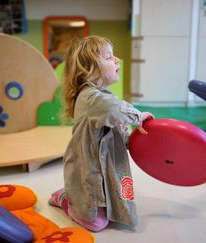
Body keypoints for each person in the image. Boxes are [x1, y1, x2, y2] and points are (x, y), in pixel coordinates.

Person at [49, 35, 154, 231]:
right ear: (88, 70)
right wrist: (137, 116)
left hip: (105, 163)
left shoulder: (105, 96)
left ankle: (78, 197)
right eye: (108, 57)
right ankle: (66, 198)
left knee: (112, 202)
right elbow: (114, 110)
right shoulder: (91, 97)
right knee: (96, 223)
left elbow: (117, 126)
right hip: (88, 166)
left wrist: (132, 141)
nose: (116, 60)